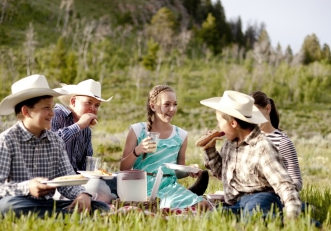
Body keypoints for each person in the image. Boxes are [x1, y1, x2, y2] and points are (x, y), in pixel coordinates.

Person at [0, 74, 109, 218]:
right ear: (26, 111)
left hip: (46, 204)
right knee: (7, 207)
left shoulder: (55, 141)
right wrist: (28, 188)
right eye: (46, 108)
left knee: (101, 207)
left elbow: (68, 179)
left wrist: (82, 194)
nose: (52, 113)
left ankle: (58, 216)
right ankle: (69, 216)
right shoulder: (6, 141)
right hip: (19, 201)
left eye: (51, 107)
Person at [200, 90, 301, 220]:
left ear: (233, 123)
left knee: (255, 218)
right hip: (236, 203)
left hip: (261, 197)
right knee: (211, 218)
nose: (218, 126)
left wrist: (292, 214)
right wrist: (210, 150)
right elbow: (222, 174)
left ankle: (306, 223)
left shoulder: (262, 146)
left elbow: (284, 184)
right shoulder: (229, 145)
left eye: (219, 121)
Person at [120, 84, 210, 210]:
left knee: (204, 205)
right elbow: (123, 168)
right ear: (153, 106)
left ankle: (185, 198)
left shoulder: (181, 135)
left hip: (169, 187)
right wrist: (138, 150)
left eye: (175, 104)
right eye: (167, 104)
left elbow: (177, 173)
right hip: (140, 187)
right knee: (174, 208)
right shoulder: (137, 130)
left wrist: (188, 170)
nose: (172, 109)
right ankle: (185, 197)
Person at [51, 79, 116, 203]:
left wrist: (95, 173)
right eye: (88, 103)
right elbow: (50, 143)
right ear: (73, 101)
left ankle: (102, 198)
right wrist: (79, 125)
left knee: (118, 180)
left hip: (77, 182)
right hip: (56, 182)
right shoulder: (56, 115)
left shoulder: (87, 130)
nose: (92, 108)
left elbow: (86, 165)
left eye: (97, 105)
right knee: (99, 188)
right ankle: (104, 199)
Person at [251, 91, 302, 191]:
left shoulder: (283, 142)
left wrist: (277, 188)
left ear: (268, 109)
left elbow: (297, 182)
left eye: (256, 113)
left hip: (273, 199)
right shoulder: (248, 139)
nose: (253, 118)